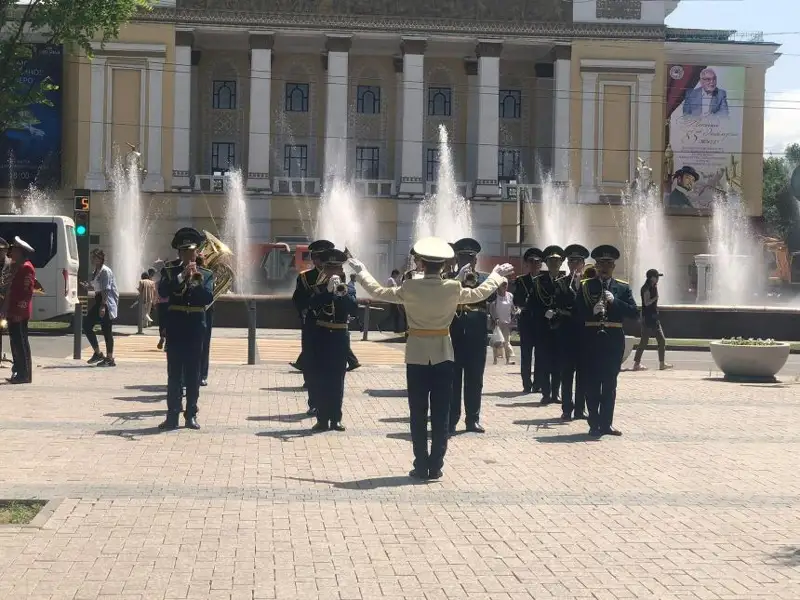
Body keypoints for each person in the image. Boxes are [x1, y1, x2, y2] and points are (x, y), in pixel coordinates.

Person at [349, 237, 513, 479]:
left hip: (416, 354)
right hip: (443, 354)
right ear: (446, 265)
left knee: (417, 412)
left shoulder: (411, 287)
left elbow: (378, 291)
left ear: (422, 264)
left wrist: (361, 271)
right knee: (440, 412)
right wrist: (497, 275)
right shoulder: (452, 287)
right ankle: (436, 466)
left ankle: (420, 464)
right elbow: (479, 293)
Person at [574, 245, 639, 437]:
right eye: (601, 263)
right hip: (591, 340)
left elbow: (635, 314)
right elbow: (576, 314)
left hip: (613, 340)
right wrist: (590, 311)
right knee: (592, 383)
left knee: (610, 384)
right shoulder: (586, 286)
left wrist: (615, 301)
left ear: (613, 266)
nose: (604, 267)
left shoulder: (622, 287)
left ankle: (607, 423)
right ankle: (594, 422)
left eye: (608, 264)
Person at [158, 228, 214, 430]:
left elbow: (207, 298)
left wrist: (196, 280)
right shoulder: (170, 271)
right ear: (179, 253)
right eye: (185, 252)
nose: (190, 256)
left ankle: (191, 414)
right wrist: (182, 277)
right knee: (174, 374)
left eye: (193, 252)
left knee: (193, 374)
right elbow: (163, 292)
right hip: (176, 327)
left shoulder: (206, 274)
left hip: (195, 328)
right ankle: (172, 415)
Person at [306, 249, 359, 432]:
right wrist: (327, 293)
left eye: (336, 269)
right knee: (321, 378)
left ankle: (335, 418)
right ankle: (322, 418)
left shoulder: (349, 286)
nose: (332, 273)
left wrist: (341, 294)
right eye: (329, 269)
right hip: (321, 335)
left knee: (337, 379)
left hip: (339, 337)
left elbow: (353, 308)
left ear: (341, 269)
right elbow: (312, 306)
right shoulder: (319, 287)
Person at [449, 237, 493, 434]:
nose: (466, 262)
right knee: (453, 379)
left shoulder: (483, 279)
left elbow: (490, 295)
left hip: (476, 336)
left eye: (470, 258)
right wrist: (458, 279)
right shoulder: (448, 280)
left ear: (476, 260)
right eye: (462, 258)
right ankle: (451, 418)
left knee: (475, 378)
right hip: (454, 334)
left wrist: (473, 282)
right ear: (456, 259)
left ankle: (472, 419)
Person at [291, 239, 335, 405]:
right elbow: (298, 299)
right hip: (312, 323)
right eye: (318, 257)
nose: (321, 261)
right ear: (314, 258)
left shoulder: (337, 276)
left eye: (325, 258)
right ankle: (313, 400)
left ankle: (328, 402)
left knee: (329, 364)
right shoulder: (306, 277)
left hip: (331, 325)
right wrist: (308, 306)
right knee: (311, 360)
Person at [528, 245, 566, 405]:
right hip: (543, 327)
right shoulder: (539, 282)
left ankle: (556, 393)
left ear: (561, 262)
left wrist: (559, 313)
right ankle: (545, 392)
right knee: (543, 361)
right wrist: (543, 313)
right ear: (546, 262)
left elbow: (569, 303)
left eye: (557, 261)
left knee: (558, 362)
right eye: (551, 261)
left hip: (561, 327)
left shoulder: (566, 281)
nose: (554, 264)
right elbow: (532, 305)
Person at [557, 244, 590, 421]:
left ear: (584, 263)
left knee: (583, 374)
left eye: (577, 262)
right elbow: (558, 305)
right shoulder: (561, 284)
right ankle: (566, 409)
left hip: (585, 335)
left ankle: (580, 409)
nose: (574, 265)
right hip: (568, 335)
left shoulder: (589, 283)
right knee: (567, 374)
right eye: (571, 262)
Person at [1, 237, 35, 384]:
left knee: (21, 343)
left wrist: (18, 312)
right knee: (15, 343)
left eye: (13, 250)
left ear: (20, 252)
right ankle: (19, 370)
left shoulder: (26, 267)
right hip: (13, 310)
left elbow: (26, 292)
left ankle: (24, 374)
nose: (11, 252)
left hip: (19, 312)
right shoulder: (17, 266)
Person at [512, 248, 543, 393]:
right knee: (526, 355)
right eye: (531, 262)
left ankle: (538, 383)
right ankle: (526, 383)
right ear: (527, 264)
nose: (534, 265)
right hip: (526, 322)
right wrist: (521, 306)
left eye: (537, 262)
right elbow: (517, 299)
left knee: (540, 354)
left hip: (541, 322)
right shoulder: (521, 280)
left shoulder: (545, 280)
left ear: (541, 264)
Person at [83, 249, 119, 367]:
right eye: (91, 257)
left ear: (100, 258)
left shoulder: (105, 271)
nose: (92, 259)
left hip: (106, 302)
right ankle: (98, 353)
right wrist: (88, 286)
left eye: (94, 257)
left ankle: (109, 358)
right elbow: (97, 288)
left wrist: (103, 306)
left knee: (106, 330)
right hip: (99, 299)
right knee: (87, 325)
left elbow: (106, 290)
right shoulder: (96, 271)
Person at [632, 269, 673, 371]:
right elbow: (646, 303)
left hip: (654, 317)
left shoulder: (653, 287)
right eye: (656, 277)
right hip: (647, 318)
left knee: (661, 340)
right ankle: (636, 364)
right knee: (644, 341)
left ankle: (662, 363)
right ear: (652, 278)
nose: (658, 279)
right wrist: (655, 298)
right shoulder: (645, 288)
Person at [195, 254, 214, 386]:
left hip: (205, 313)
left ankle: (201, 375)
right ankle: (201, 375)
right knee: (203, 346)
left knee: (204, 344)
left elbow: (209, 296)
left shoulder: (207, 274)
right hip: (195, 314)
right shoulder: (180, 272)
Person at [489, 278, 515, 365]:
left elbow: (512, 308)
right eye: (503, 284)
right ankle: (495, 360)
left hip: (507, 322)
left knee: (507, 342)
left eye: (506, 284)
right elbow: (491, 308)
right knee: (497, 341)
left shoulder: (510, 295)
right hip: (497, 323)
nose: (505, 286)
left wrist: (515, 312)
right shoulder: (495, 296)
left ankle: (508, 360)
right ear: (499, 286)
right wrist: (495, 318)